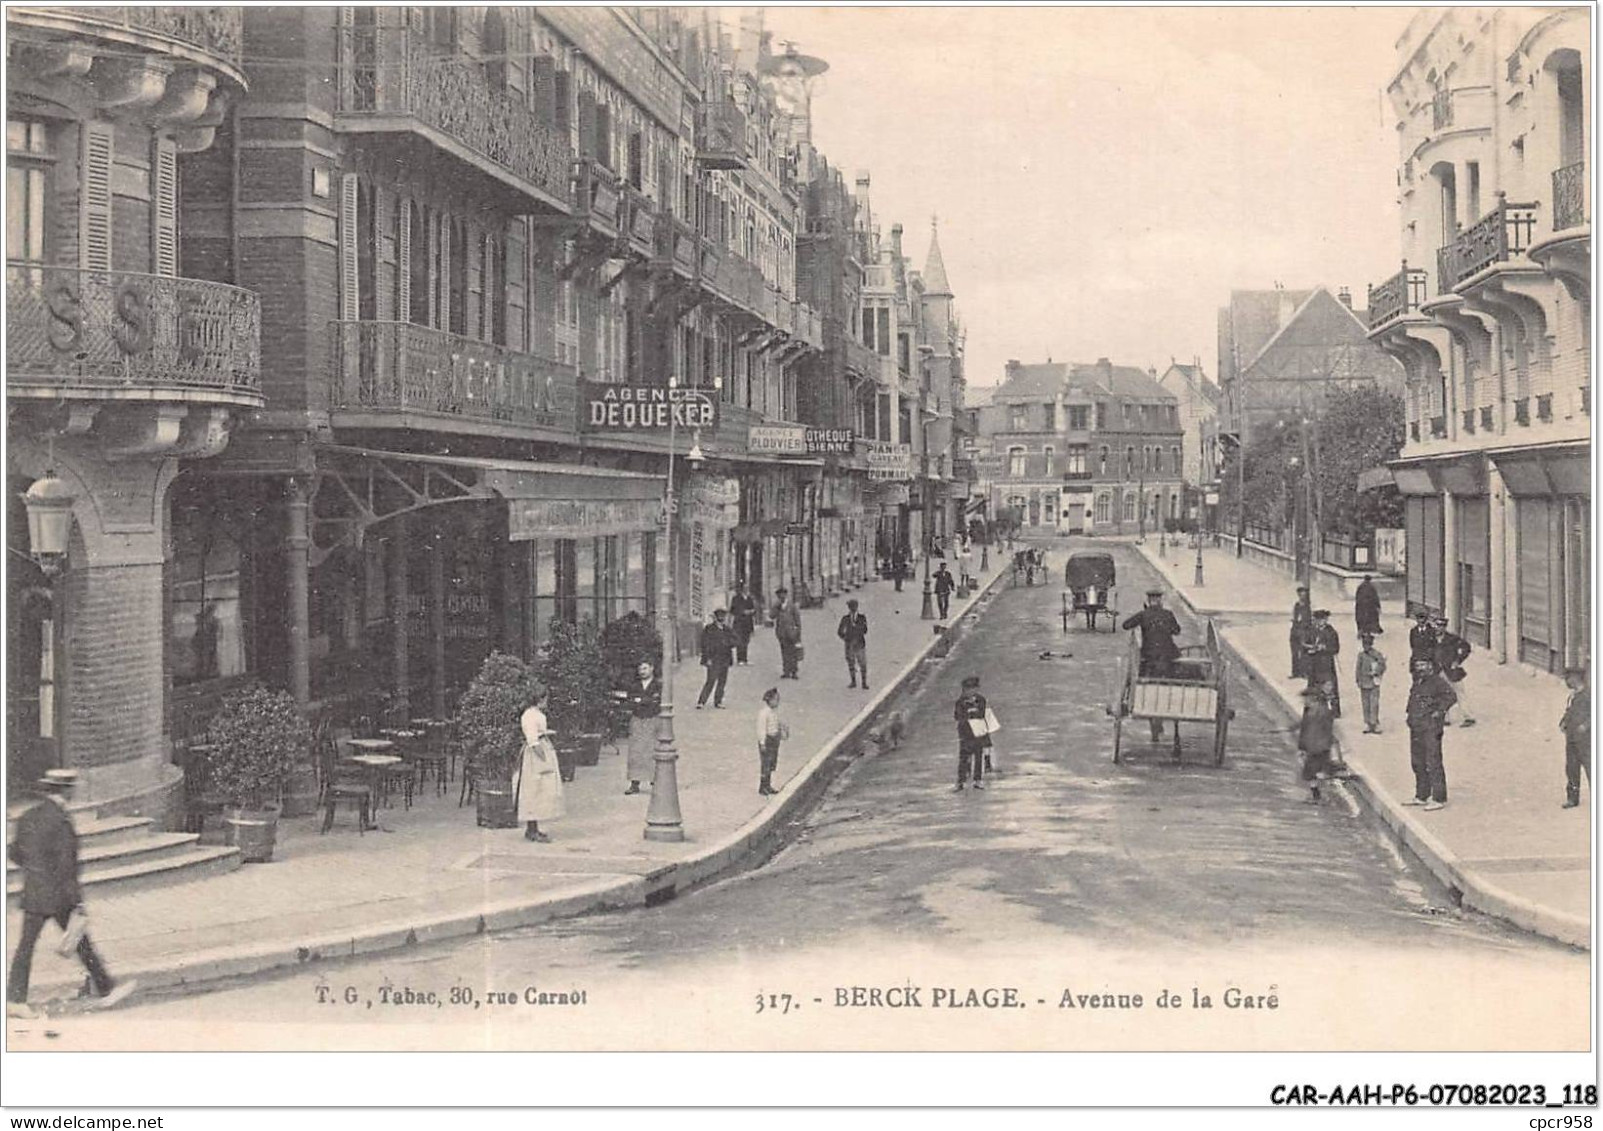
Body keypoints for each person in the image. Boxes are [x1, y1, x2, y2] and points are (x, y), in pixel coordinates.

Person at [7, 770, 137, 1019]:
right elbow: (67, 867)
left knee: (26, 946)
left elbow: (14, 853)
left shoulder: (28, 816)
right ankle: (107, 989)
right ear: (67, 790)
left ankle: (14, 999)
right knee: (80, 941)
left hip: (34, 892)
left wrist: (34, 871)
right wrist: (77, 901)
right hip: (58, 896)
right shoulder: (61, 820)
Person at [1123, 589, 1183, 742]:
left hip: (1149, 657)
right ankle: (1167, 715)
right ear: (1160, 601)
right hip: (1168, 657)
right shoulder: (1168, 614)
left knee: (1146, 685)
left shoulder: (1143, 615)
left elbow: (1125, 625)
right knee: (1170, 684)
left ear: (1148, 601)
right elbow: (1177, 631)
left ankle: (1153, 722)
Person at [1404, 656, 1457, 811]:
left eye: (1423, 664)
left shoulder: (1437, 682)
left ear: (1430, 665)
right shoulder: (1418, 681)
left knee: (1433, 761)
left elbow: (1451, 696)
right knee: (1418, 761)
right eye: (1417, 664)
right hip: (1416, 726)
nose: (1420, 667)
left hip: (1431, 728)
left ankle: (1439, 797)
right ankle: (1422, 795)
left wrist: (1439, 711)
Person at [515, 686, 564, 841]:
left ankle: (533, 828)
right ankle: (532, 830)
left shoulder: (537, 714)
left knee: (541, 790)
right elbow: (532, 739)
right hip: (535, 754)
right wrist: (543, 759)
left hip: (543, 746)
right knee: (534, 790)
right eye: (545, 699)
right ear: (539, 699)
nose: (546, 702)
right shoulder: (529, 715)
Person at [619, 660, 661, 795]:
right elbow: (630, 701)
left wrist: (640, 701)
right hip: (637, 719)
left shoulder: (658, 685)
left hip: (652, 719)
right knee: (635, 751)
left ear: (652, 668)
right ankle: (634, 783)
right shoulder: (634, 686)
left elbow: (656, 702)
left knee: (652, 749)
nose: (642, 671)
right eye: (640, 669)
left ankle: (655, 781)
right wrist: (643, 701)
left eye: (645, 668)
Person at [1432, 615, 1476, 727]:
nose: (1439, 628)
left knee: (1460, 693)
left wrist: (1458, 660)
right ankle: (1445, 718)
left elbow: (1466, 647)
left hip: (1452, 671)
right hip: (1438, 670)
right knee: (1441, 693)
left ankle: (1469, 717)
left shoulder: (1452, 639)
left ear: (1445, 627)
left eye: (1441, 626)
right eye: (1437, 625)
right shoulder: (1431, 639)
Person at [1297, 685, 1336, 804]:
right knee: (1311, 773)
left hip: (1318, 748)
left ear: (1313, 699)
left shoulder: (1321, 712)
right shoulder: (1311, 712)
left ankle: (1320, 796)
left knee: (1315, 773)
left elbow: (1326, 730)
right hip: (1314, 747)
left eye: (1306, 699)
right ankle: (1317, 796)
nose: (1304, 701)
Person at [953, 675, 991, 791]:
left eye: (972, 689)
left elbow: (981, 714)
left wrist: (971, 712)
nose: (969, 692)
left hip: (978, 731)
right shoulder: (960, 702)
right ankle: (961, 781)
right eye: (967, 689)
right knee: (963, 757)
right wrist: (970, 712)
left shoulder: (981, 700)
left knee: (978, 756)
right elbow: (958, 716)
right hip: (965, 732)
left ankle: (977, 780)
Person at [1559, 667, 1590, 809]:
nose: (1567, 681)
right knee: (1571, 768)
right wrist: (1563, 722)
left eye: (1568, 678)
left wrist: (1586, 726)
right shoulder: (1573, 696)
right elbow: (1569, 711)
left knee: (1591, 768)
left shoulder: (1589, 695)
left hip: (1586, 740)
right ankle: (1572, 798)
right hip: (1571, 737)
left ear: (1576, 679)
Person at [1303, 609, 1342, 718]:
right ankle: (1312, 709)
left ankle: (1334, 710)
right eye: (1318, 620)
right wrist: (1310, 649)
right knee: (1313, 686)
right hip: (1314, 663)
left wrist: (1324, 648)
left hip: (1326, 663)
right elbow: (1304, 643)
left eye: (1323, 620)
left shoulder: (1331, 632)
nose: (1320, 622)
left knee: (1330, 686)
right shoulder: (1311, 631)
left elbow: (1335, 648)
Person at [696, 608, 736, 709]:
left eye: (723, 616)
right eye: (719, 616)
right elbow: (704, 644)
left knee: (722, 681)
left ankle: (718, 701)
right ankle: (701, 701)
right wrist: (707, 658)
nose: (721, 618)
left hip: (725, 658)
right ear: (716, 617)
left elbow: (735, 640)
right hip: (713, 658)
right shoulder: (709, 629)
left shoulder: (727, 629)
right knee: (711, 680)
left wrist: (728, 643)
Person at [755, 687, 790, 797]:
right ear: (769, 700)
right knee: (765, 764)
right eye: (775, 700)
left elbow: (778, 724)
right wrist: (762, 742)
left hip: (775, 739)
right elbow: (761, 729)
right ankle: (763, 786)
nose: (777, 702)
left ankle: (768, 785)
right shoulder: (764, 713)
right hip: (767, 740)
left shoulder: (774, 713)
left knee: (771, 763)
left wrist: (783, 730)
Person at [1355, 633, 1388, 735]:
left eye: (1368, 644)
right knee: (1365, 703)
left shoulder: (1377, 654)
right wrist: (1358, 679)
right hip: (1364, 682)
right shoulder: (1361, 655)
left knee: (1374, 703)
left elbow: (1382, 665)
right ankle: (1367, 722)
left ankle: (1374, 722)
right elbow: (1358, 668)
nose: (1366, 646)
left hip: (1374, 682)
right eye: (1364, 644)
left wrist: (1377, 671)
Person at [837, 597, 869, 689]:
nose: (852, 608)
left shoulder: (862, 618)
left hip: (859, 643)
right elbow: (839, 631)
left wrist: (857, 628)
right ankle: (853, 681)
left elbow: (865, 630)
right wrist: (845, 638)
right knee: (851, 663)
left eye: (854, 606)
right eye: (851, 607)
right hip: (849, 644)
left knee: (862, 663)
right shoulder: (845, 618)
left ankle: (864, 683)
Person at [772, 587, 803, 679]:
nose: (781, 597)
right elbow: (771, 616)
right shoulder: (777, 606)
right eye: (779, 595)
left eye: (783, 595)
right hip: (781, 633)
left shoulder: (792, 606)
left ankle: (794, 671)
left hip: (792, 632)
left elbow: (797, 620)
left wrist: (798, 632)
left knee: (793, 652)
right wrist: (776, 608)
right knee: (784, 652)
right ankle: (786, 671)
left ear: (786, 595)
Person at [729, 582, 758, 666]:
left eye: (747, 588)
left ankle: (745, 659)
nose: (746, 590)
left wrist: (752, 611)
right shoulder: (736, 598)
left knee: (746, 641)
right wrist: (742, 612)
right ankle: (740, 659)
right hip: (739, 623)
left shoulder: (749, 598)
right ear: (741, 589)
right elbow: (733, 610)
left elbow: (753, 609)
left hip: (748, 623)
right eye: (745, 588)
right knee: (739, 641)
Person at [1289, 585, 1313, 679]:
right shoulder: (1296, 605)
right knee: (1294, 652)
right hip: (1295, 630)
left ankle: (1304, 672)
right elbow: (1293, 618)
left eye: (1304, 595)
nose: (1302, 597)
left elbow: (1310, 620)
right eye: (1300, 595)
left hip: (1304, 631)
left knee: (1304, 652)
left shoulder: (1308, 607)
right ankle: (1295, 672)